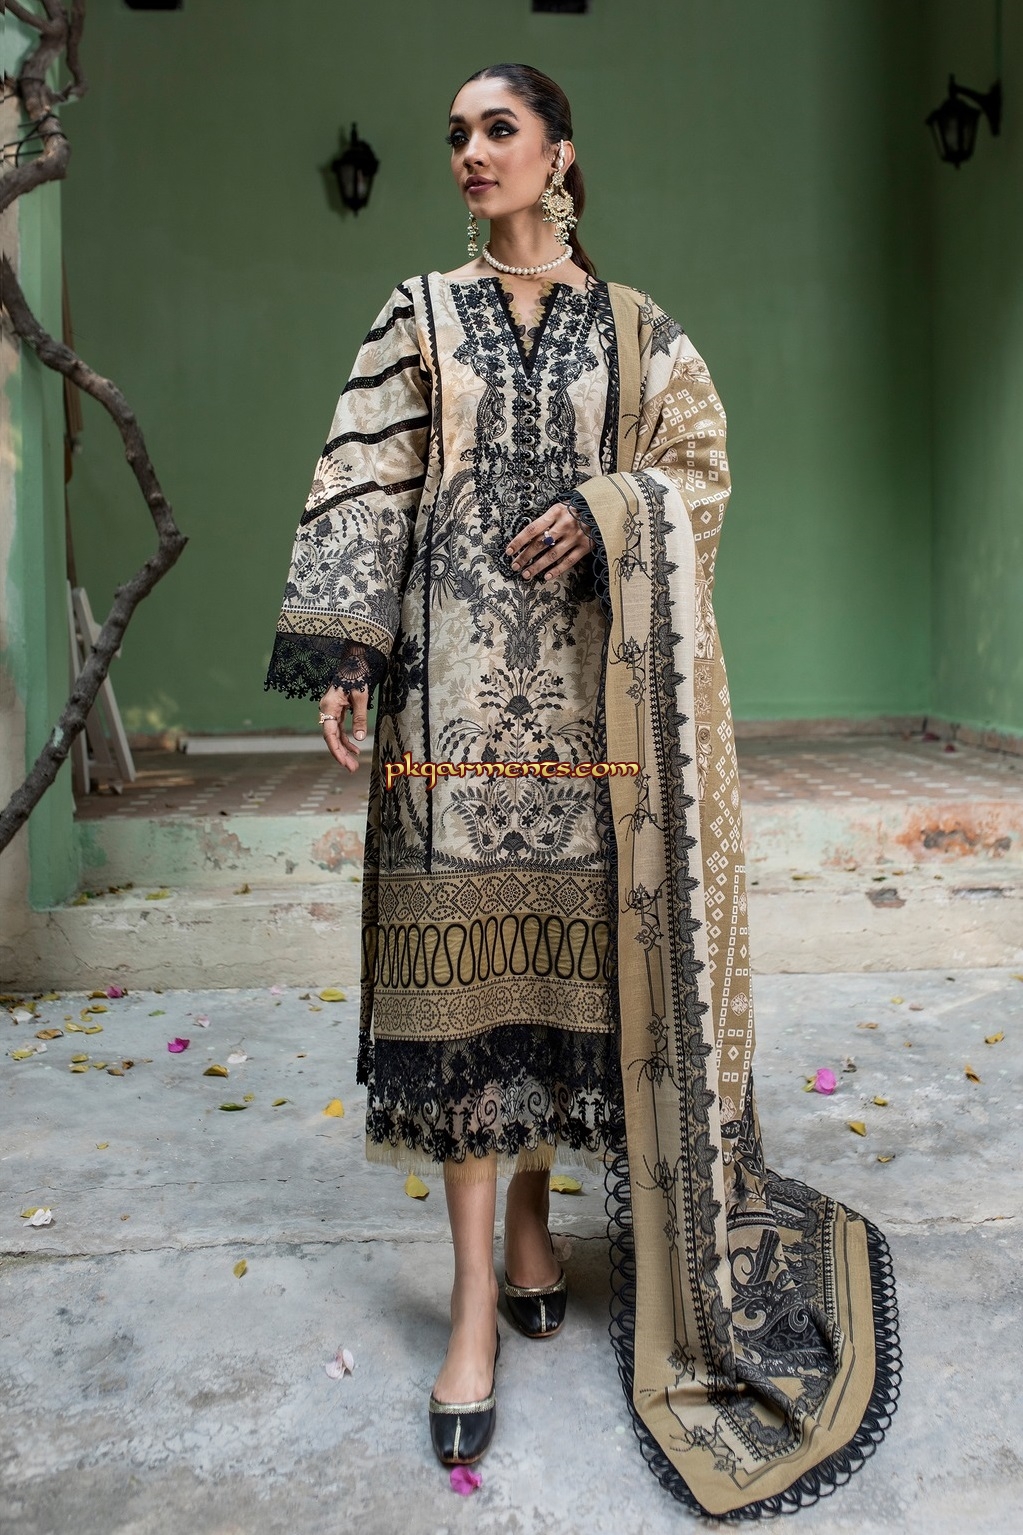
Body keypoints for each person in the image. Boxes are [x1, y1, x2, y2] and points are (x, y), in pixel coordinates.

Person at [265, 62, 899, 1519]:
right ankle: (471, 1309)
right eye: (456, 135)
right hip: (449, 710)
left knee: (558, 991)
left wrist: (615, 509)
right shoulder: (417, 313)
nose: (470, 152)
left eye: (498, 129)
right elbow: (364, 476)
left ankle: (537, 1232)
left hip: (589, 713)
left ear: (560, 154)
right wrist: (351, 652)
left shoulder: (638, 330)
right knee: (461, 1000)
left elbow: (700, 469)